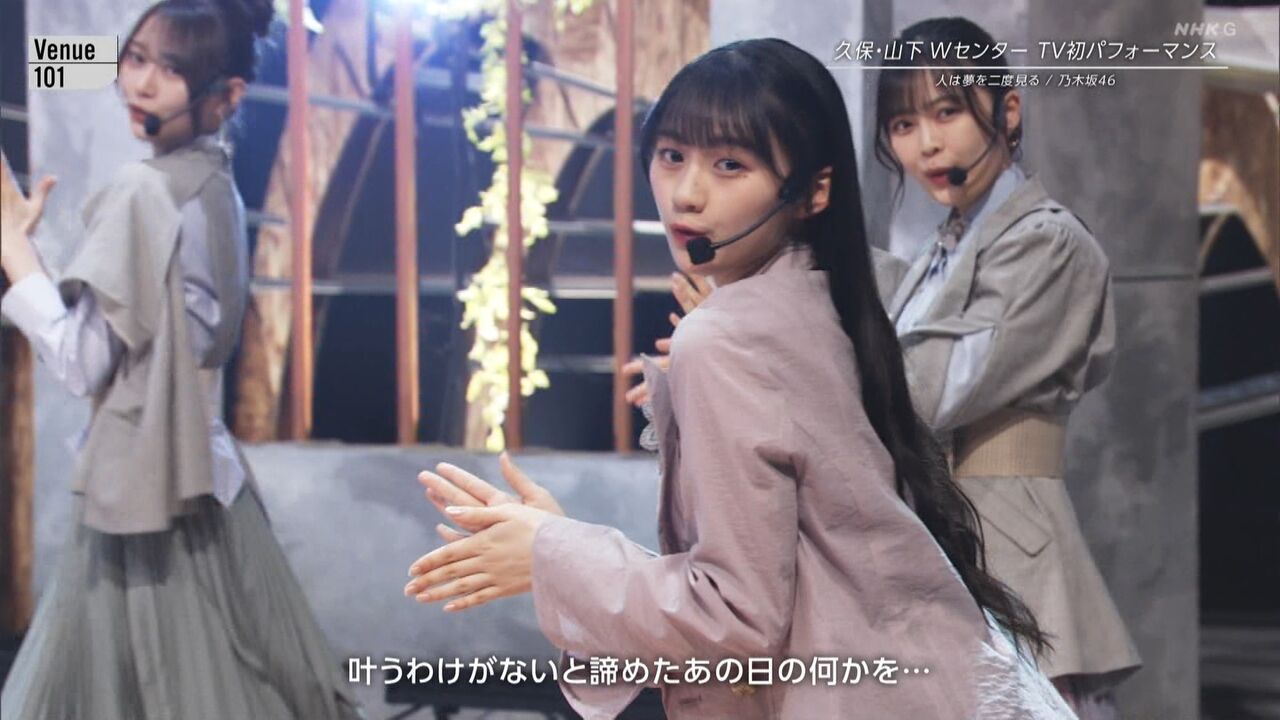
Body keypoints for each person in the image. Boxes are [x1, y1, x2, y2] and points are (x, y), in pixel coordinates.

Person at [404, 38, 1076, 719]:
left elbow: (734, 619)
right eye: (672, 156)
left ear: (812, 191)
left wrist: (551, 556)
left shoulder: (722, 337)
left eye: (730, 164)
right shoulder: (823, 299)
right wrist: (557, 547)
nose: (687, 193)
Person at [0, 2, 360, 717]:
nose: (141, 84)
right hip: (206, 479)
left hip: (142, 494)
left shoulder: (144, 191)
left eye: (170, 69)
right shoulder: (214, 182)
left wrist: (14, 251)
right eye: (135, 59)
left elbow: (79, 363)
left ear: (225, 94)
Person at [873, 17, 1141, 717]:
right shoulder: (938, 252)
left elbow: (929, 394)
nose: (926, 143)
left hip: (1010, 555)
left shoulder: (1050, 244)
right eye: (903, 124)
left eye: (948, 112)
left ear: (1008, 109)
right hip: (939, 546)